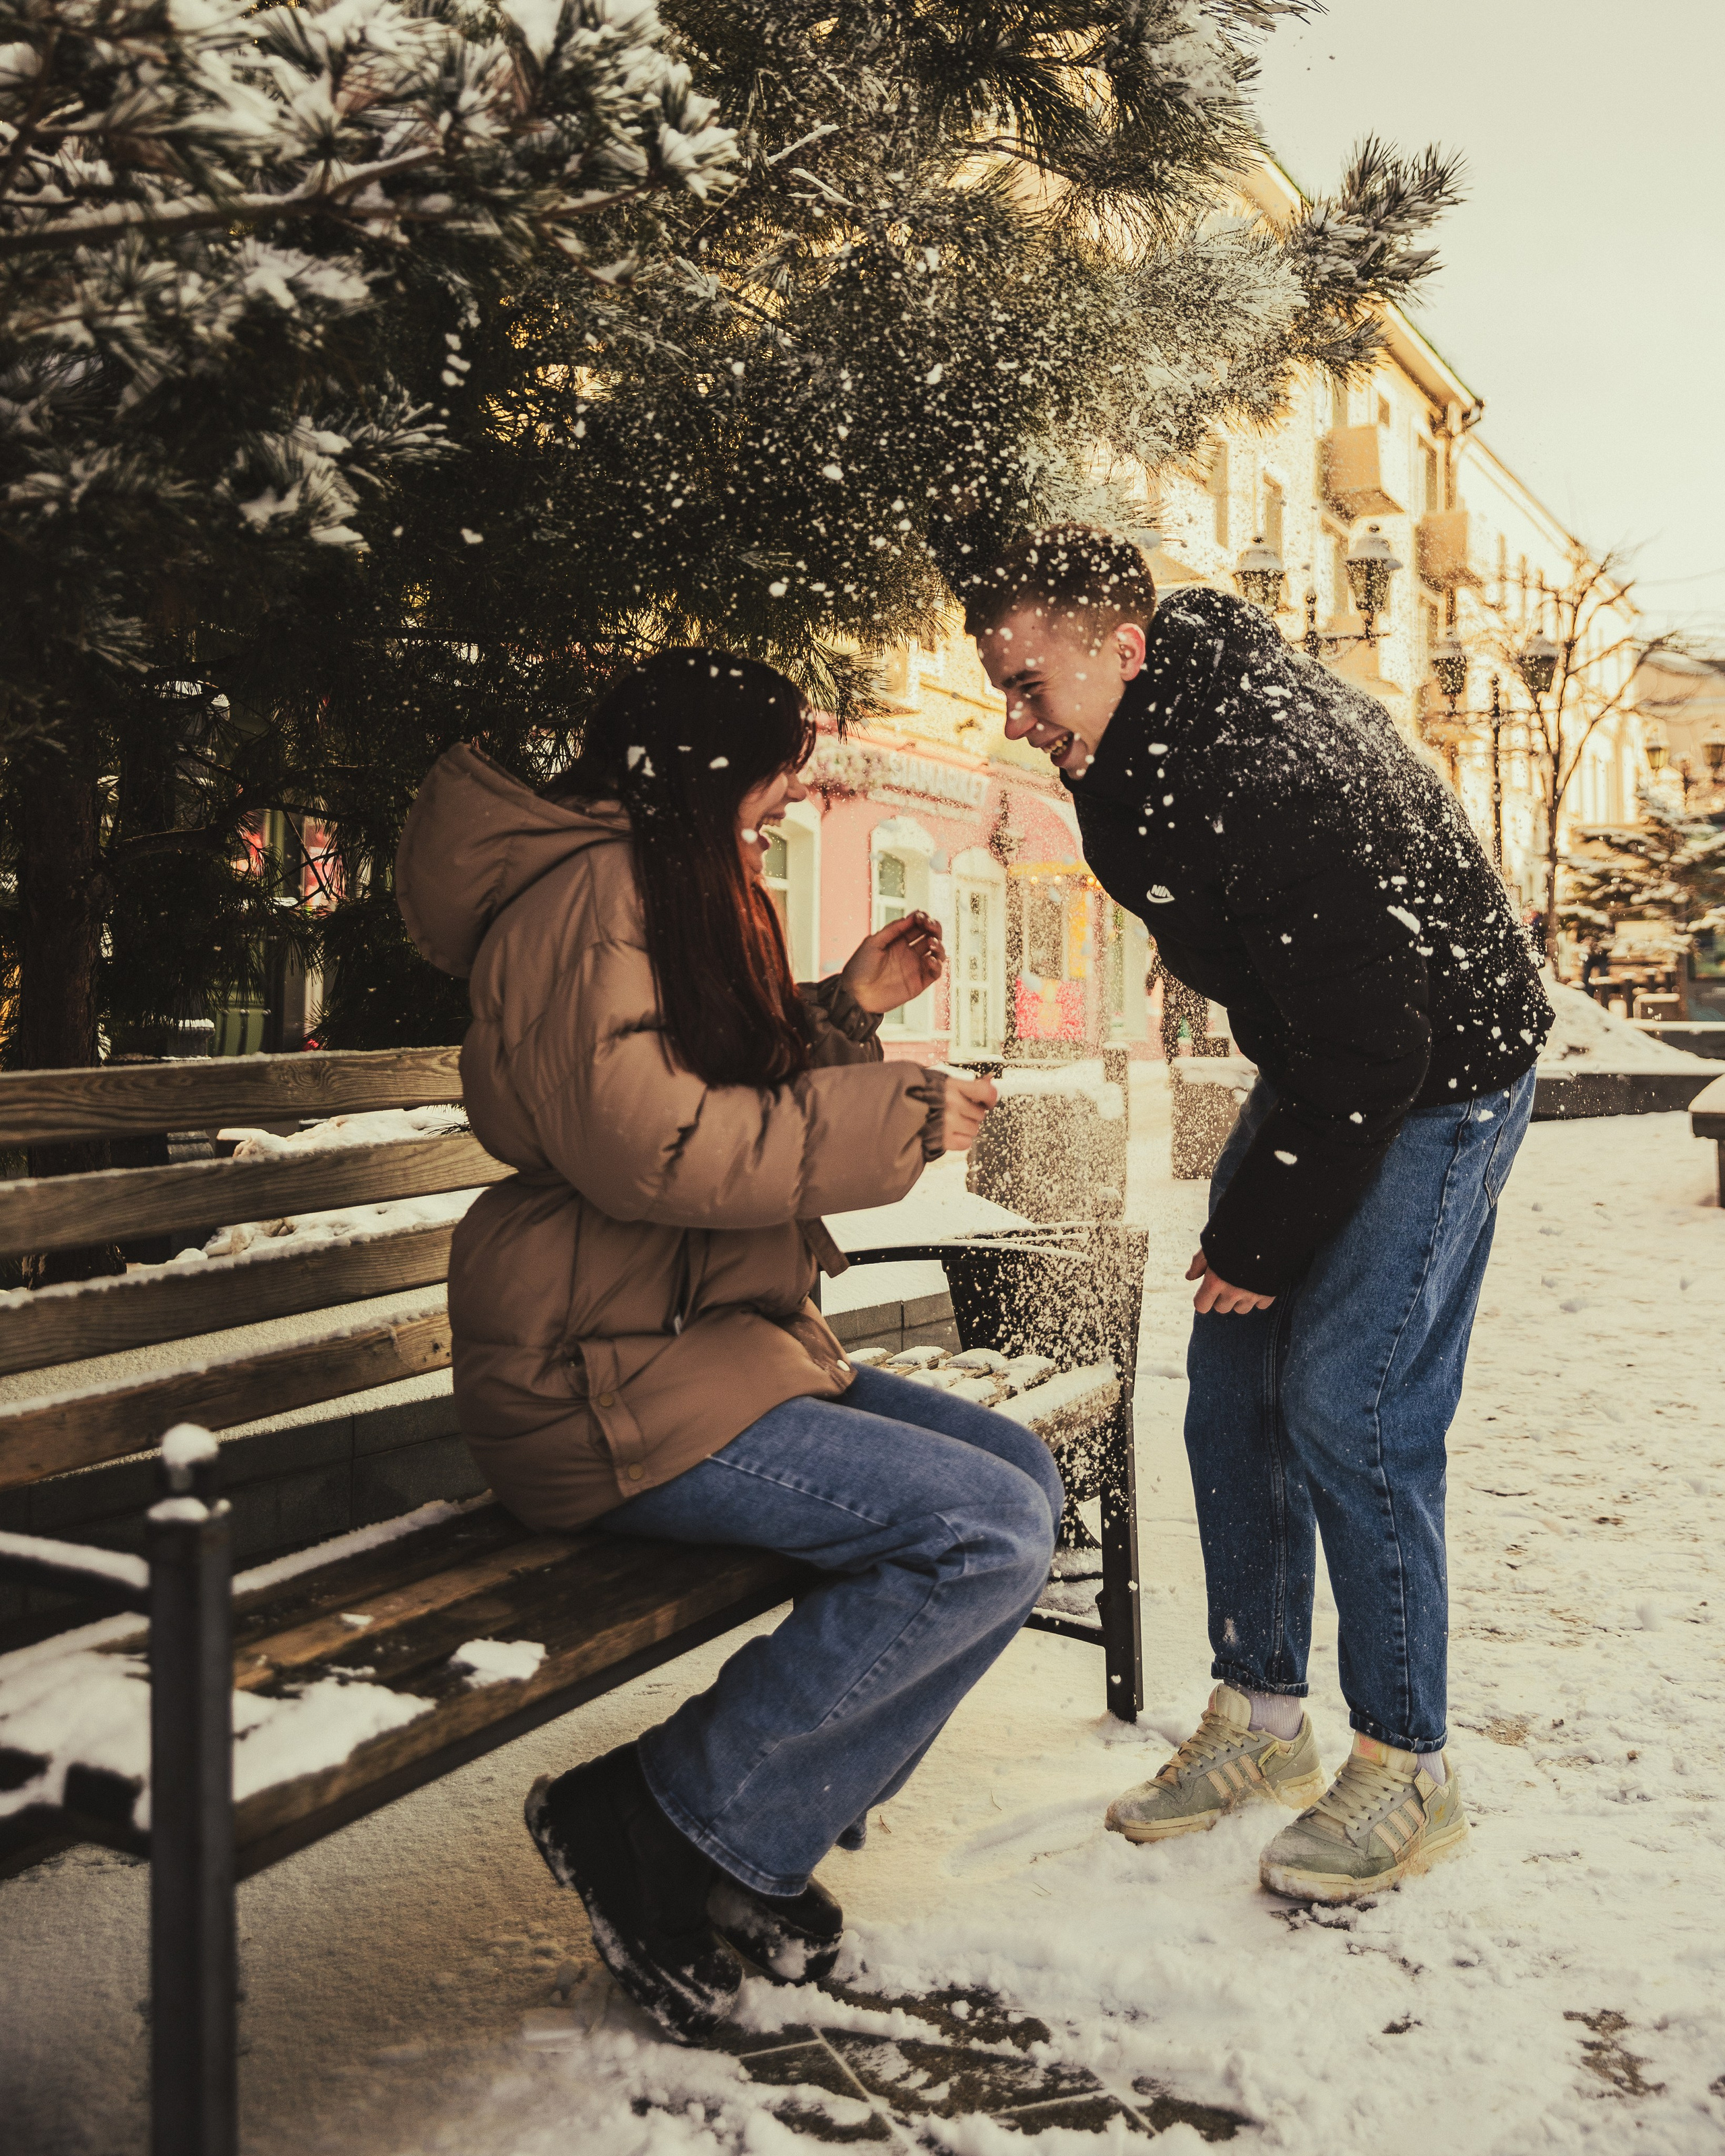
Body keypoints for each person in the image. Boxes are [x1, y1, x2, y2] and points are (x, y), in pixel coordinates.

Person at [395, 649, 1059, 2039]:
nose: (790, 792)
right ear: (707, 770)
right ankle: (652, 1818)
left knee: (1015, 1479)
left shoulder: (652, 877)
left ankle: (741, 1836)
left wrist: (843, 1013)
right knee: (981, 1531)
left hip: (690, 1338)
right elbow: (654, 1148)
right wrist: (891, 1119)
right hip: (595, 1377)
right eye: (774, 768)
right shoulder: (590, 896)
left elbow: (705, 1077)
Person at [970, 527, 1552, 1905]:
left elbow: (1378, 1045)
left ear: (1121, 649)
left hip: (1435, 1076)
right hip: (1326, 1060)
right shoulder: (1128, 739)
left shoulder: (1272, 762)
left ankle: (1408, 1760)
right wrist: (1256, 1244)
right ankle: (1260, 1720)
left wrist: (1259, 1239)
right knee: (1230, 1392)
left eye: (1029, 682)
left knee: (1351, 1408)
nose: (1011, 713)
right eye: (995, 681)